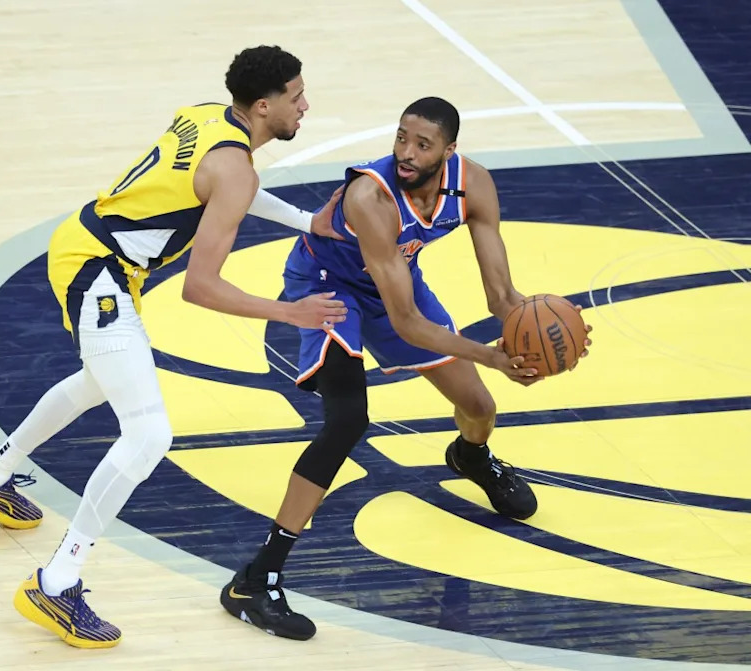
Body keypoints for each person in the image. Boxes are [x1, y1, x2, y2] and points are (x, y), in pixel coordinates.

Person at [0, 45, 349, 649]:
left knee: (97, 381)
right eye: (296, 95)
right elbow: (200, 286)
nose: (305, 104)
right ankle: (56, 582)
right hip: (98, 274)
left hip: (86, 247)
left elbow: (230, 188)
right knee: (149, 434)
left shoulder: (209, 116)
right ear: (264, 106)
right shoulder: (235, 170)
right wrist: (289, 311)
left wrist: (305, 220)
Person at [220, 96, 593, 640]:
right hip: (331, 286)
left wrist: (556, 337)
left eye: (422, 144)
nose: (406, 153)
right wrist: (492, 356)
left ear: (450, 150)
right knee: (348, 420)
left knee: (479, 406)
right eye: (401, 138)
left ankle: (470, 456)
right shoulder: (370, 197)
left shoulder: (474, 185)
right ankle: (257, 580)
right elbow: (408, 323)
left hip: (396, 282)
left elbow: (502, 297)